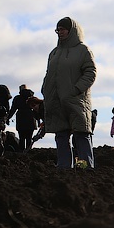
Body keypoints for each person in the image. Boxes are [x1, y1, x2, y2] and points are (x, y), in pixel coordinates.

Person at [41, 17, 97, 169]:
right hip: (56, 100)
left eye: (63, 29)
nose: (60, 32)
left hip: (76, 100)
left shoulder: (83, 50)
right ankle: (64, 167)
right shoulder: (54, 53)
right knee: (61, 134)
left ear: (72, 30)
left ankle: (86, 167)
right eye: (58, 30)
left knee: (81, 133)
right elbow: (49, 73)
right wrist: (45, 89)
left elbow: (91, 72)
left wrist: (76, 89)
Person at [7, 84, 36, 152]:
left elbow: (13, 109)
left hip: (21, 118)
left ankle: (21, 153)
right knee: (29, 138)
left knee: (21, 138)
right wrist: (39, 120)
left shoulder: (17, 98)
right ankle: (28, 152)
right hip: (31, 118)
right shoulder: (32, 98)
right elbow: (36, 108)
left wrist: (8, 118)